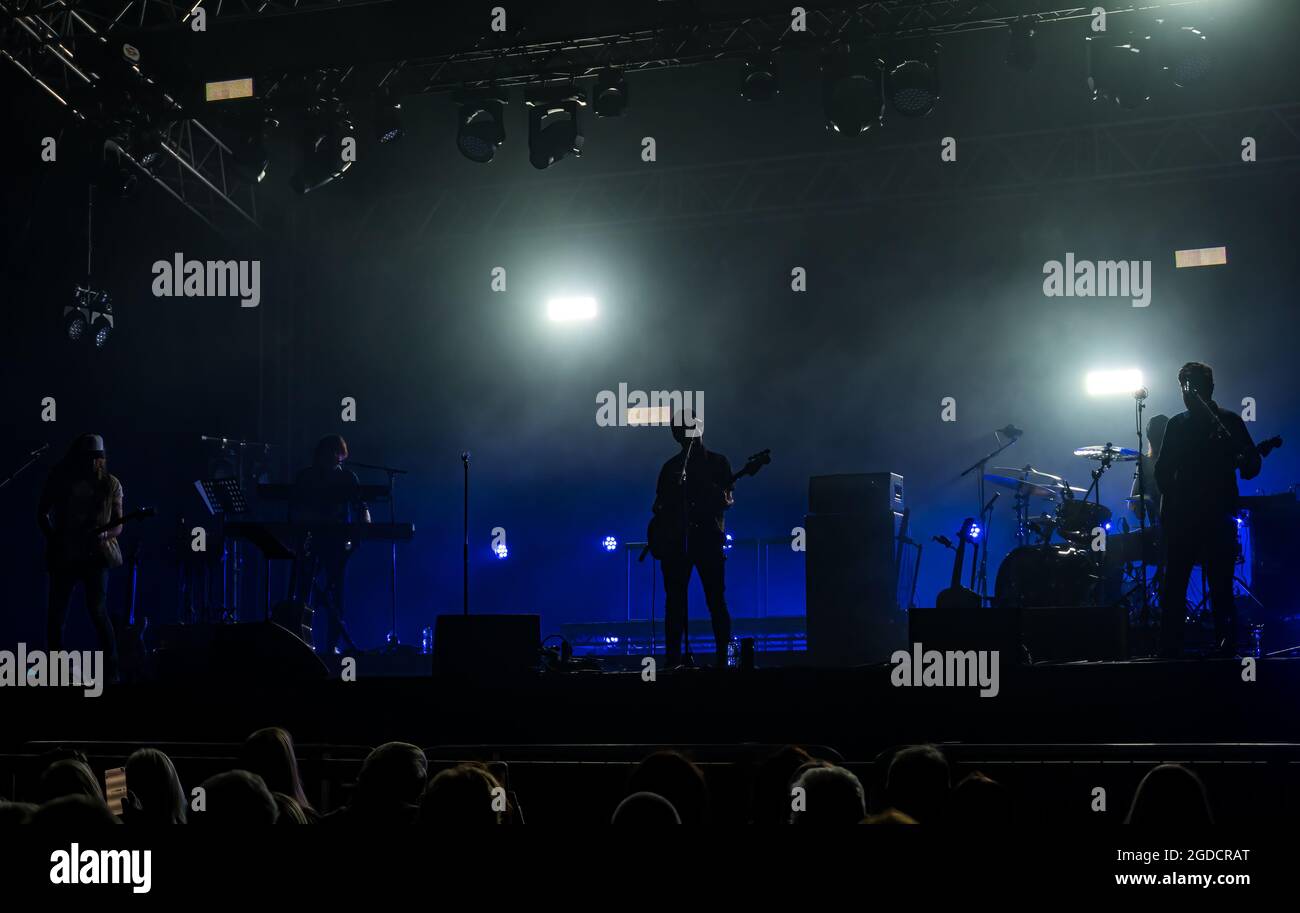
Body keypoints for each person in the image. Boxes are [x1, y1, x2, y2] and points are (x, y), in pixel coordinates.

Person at [1155, 363, 1260, 658]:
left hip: (1217, 517)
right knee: (1175, 585)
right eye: (1184, 387)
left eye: (1193, 386)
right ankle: (1169, 652)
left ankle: (1225, 649)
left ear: (1209, 387)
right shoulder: (1177, 425)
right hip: (1186, 519)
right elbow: (1163, 471)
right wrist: (1176, 501)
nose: (1188, 393)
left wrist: (1248, 458)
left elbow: (1251, 467)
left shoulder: (1229, 422)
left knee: (1221, 586)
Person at [650, 411, 733, 667]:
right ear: (676, 435)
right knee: (675, 602)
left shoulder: (718, 463)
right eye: (682, 429)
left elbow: (727, 499)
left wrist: (714, 495)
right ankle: (673, 658)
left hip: (708, 539)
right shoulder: (671, 468)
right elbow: (658, 507)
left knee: (716, 599)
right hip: (677, 542)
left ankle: (724, 658)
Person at [37, 434, 122, 682]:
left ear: (100, 459)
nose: (91, 463)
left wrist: (106, 532)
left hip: (96, 556)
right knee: (56, 617)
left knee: (97, 612)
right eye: (87, 458)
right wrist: (55, 539)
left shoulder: (111, 484)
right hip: (64, 556)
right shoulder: (61, 479)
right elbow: (41, 514)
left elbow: (119, 523)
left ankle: (111, 672)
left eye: (95, 458)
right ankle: (57, 673)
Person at [290, 434, 370, 654]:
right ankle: (302, 643)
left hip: (336, 542)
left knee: (335, 594)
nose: (335, 457)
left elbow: (361, 507)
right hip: (311, 540)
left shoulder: (348, 478)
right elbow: (294, 509)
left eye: (338, 453)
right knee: (306, 592)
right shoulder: (306, 477)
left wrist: (363, 530)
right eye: (331, 452)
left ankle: (332, 645)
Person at [1129, 413, 1170, 527]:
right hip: (1158, 527)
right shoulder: (1144, 463)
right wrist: (1139, 508)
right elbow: (1133, 501)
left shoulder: (1180, 459)